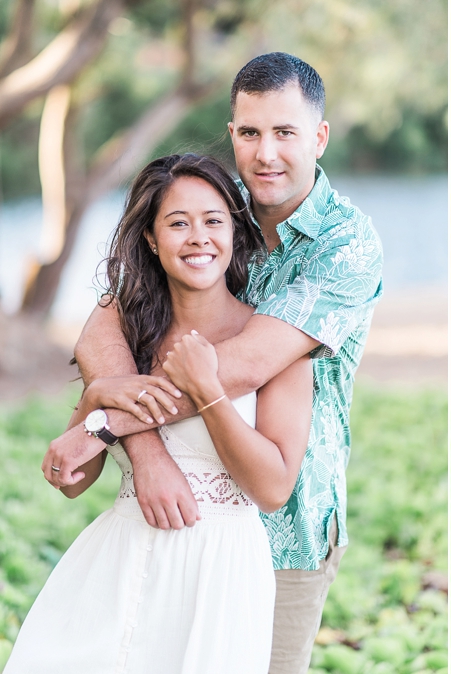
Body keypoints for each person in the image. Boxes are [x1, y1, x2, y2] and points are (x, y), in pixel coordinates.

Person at [41, 53, 383, 673]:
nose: (266, 153)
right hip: (161, 527)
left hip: (290, 526)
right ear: (232, 134)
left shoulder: (346, 245)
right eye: (250, 133)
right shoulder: (219, 212)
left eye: (286, 132)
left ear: (320, 137)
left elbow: (243, 365)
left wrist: (103, 424)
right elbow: (102, 331)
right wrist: (144, 455)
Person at [7, 153, 313, 672]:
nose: (198, 237)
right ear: (151, 238)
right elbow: (75, 481)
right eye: (177, 223)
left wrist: (209, 391)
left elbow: (274, 488)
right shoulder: (126, 335)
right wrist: (97, 399)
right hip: (117, 561)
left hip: (220, 573)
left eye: (214, 221)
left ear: (235, 233)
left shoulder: (271, 344)